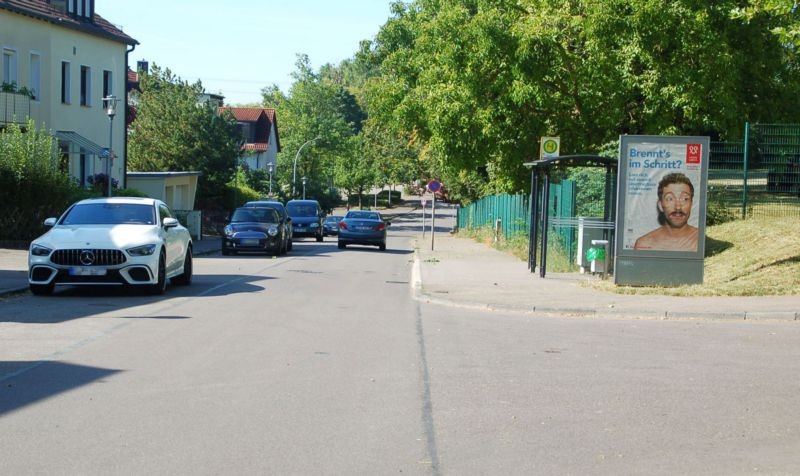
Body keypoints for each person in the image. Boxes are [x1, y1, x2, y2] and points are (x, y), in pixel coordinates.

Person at [633, 172, 699, 251]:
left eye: (684, 199)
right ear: (660, 205)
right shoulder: (644, 244)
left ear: (691, 204)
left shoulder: (702, 241)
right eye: (670, 199)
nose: (678, 207)